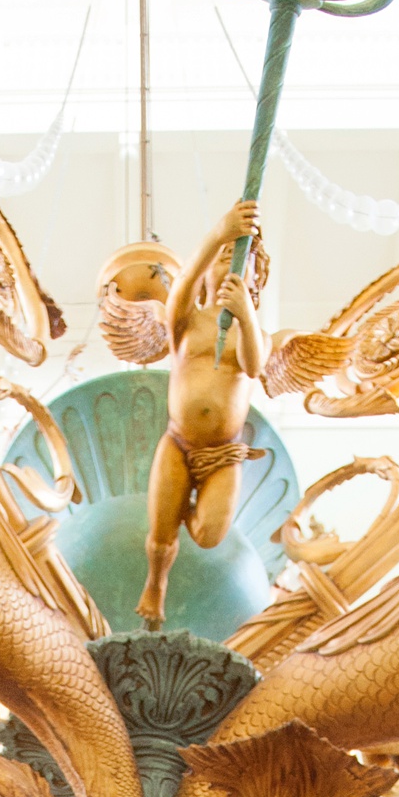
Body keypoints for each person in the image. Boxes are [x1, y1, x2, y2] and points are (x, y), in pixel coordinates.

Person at [136, 199, 269, 628]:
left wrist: (246, 316)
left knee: (209, 535)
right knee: (160, 538)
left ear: (253, 278)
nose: (231, 263)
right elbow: (182, 286)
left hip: (224, 453)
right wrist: (220, 232)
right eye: (224, 257)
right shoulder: (188, 321)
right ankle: (156, 584)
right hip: (178, 442)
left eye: (241, 258)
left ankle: (189, 505)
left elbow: (253, 365)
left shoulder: (254, 331)